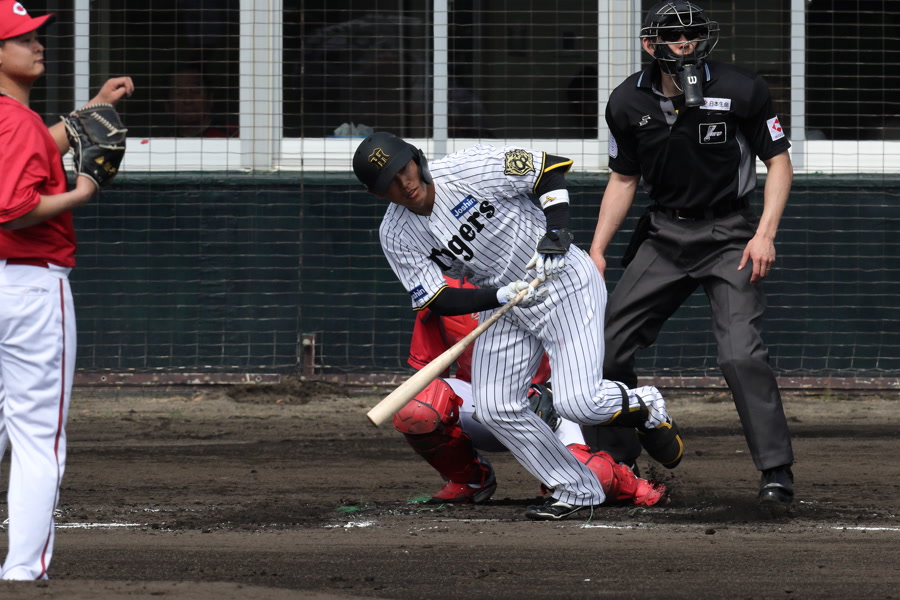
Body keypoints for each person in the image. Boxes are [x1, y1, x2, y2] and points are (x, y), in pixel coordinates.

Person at [352, 131, 683, 521]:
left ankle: (647, 406)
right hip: (506, 304)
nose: (404, 182)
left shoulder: (466, 168)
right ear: (377, 194)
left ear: (416, 158)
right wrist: (497, 295)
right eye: (389, 181)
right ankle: (576, 488)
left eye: (403, 168)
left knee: (579, 402)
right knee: (496, 407)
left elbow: (548, 169)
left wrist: (555, 234)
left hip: (562, 280)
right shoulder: (396, 234)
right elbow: (437, 299)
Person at [587, 1, 795, 506]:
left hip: (730, 235)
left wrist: (764, 234)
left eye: (694, 34)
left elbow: (779, 162)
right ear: (649, 44)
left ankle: (776, 471)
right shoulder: (625, 101)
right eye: (674, 36)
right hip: (665, 234)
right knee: (604, 347)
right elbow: (623, 179)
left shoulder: (742, 88)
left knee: (740, 354)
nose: (685, 43)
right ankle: (620, 461)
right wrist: (596, 251)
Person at [0, 1, 134, 580]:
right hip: (31, 289)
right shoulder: (17, 121)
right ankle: (23, 572)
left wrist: (90, 110)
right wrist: (83, 190)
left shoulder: (13, 121)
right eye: (23, 38)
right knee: (37, 438)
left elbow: (26, 145)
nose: (38, 44)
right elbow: (13, 208)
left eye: (37, 35)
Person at [396, 281, 666, 508]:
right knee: (417, 406)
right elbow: (426, 374)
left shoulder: (542, 276)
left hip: (550, 402)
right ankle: (470, 481)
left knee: (594, 476)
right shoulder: (443, 291)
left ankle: (631, 483)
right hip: (481, 401)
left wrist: (548, 391)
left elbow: (578, 358)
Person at [163, 65, 237, 138]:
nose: (188, 100)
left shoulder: (234, 135)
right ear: (167, 106)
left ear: (210, 98)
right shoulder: (164, 142)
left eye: (195, 91)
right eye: (179, 93)